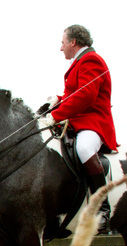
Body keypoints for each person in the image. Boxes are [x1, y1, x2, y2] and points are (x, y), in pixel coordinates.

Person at [39, 25, 117, 234]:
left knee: (84, 149)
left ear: (73, 42)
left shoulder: (92, 60)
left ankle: (103, 209)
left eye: (63, 43)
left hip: (94, 121)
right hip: (78, 121)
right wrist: (58, 100)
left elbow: (86, 96)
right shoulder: (79, 62)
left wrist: (56, 115)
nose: (61, 47)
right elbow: (76, 93)